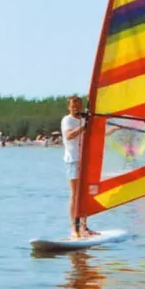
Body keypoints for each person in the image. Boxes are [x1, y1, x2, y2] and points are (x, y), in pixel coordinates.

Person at [61, 95, 96, 239]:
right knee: (75, 195)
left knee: (85, 194)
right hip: (73, 160)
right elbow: (69, 136)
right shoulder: (67, 120)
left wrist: (113, 129)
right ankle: (73, 229)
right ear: (69, 107)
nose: (75, 108)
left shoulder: (83, 119)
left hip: (85, 160)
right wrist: (84, 127)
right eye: (73, 106)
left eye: (78, 105)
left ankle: (84, 226)